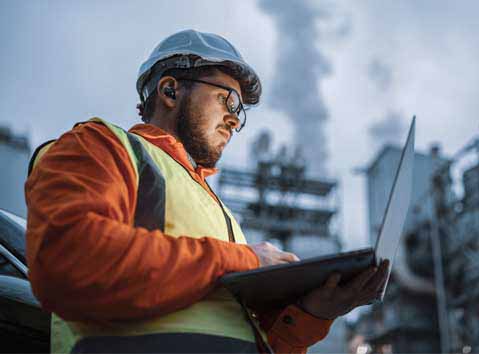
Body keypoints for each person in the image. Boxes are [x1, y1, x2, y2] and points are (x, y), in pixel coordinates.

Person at [25, 29, 389, 354]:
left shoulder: (220, 212)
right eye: (227, 100)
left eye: (240, 113)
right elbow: (70, 261)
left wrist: (314, 313)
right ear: (170, 91)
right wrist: (243, 259)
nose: (234, 119)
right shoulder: (101, 146)